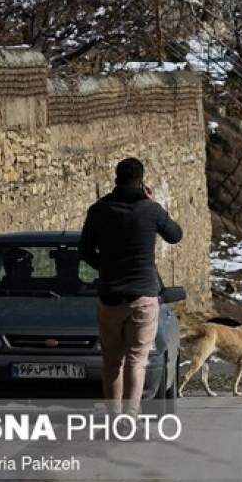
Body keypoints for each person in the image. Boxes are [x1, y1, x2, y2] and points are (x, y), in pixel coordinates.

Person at [79, 157, 183, 416]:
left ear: (116, 178)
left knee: (112, 362)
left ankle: (113, 415)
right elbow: (175, 235)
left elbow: (85, 250)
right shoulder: (150, 210)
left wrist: (105, 267)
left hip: (110, 295)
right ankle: (131, 415)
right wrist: (154, 203)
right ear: (141, 180)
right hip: (143, 295)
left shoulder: (99, 209)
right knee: (137, 360)